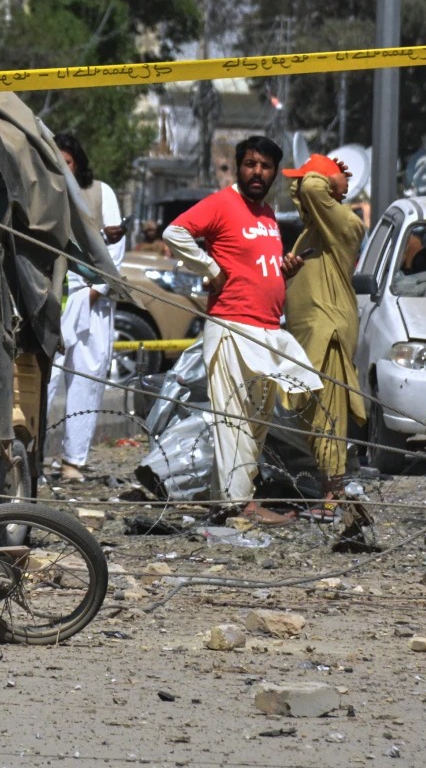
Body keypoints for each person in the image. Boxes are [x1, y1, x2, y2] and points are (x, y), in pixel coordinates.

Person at [163, 135, 322, 523]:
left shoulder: (267, 213)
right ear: (238, 165)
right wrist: (211, 269)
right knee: (233, 419)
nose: (257, 172)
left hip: (266, 330)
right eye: (250, 164)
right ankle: (241, 505)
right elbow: (175, 233)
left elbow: (258, 267)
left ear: (273, 174)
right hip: (232, 327)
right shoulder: (222, 203)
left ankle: (232, 500)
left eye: (265, 167)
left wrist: (283, 271)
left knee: (256, 421)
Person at [283, 154, 368, 511]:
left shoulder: (345, 224)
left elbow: (310, 187)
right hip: (308, 335)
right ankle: (328, 485)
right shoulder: (310, 234)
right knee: (314, 413)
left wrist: (330, 177)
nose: (298, 187)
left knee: (329, 412)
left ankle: (332, 495)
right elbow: (303, 189)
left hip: (328, 330)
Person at [47, 132, 126, 483]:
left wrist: (97, 289)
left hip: (90, 298)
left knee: (85, 380)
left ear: (76, 163)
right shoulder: (43, 193)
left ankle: (72, 461)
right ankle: (29, 453)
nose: (61, 168)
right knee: (45, 378)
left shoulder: (99, 192)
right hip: (53, 296)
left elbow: (114, 245)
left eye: (66, 162)